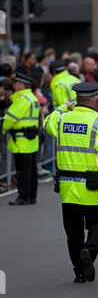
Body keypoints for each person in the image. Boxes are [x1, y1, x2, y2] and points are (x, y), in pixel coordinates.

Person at [43, 82, 98, 283]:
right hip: (90, 187)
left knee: (73, 231)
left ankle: (79, 273)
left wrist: (61, 108)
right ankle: (89, 251)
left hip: (67, 186)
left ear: (76, 100)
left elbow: (47, 122)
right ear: (94, 100)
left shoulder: (63, 119)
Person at [2, 73, 40, 205]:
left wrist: (4, 128)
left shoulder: (22, 99)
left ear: (20, 84)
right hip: (31, 139)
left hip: (21, 140)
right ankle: (31, 196)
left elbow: (10, 118)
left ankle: (23, 196)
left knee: (23, 170)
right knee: (31, 170)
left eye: (15, 83)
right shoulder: (32, 97)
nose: (13, 85)